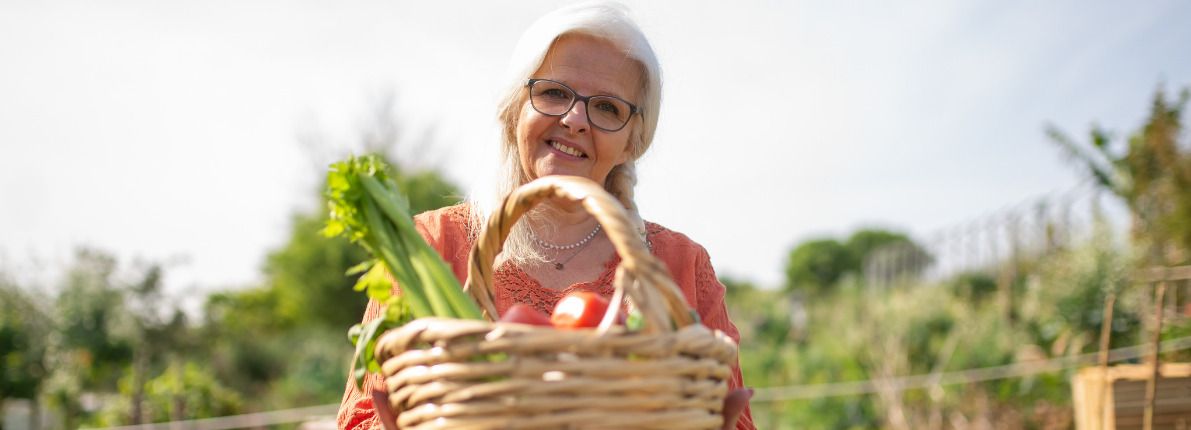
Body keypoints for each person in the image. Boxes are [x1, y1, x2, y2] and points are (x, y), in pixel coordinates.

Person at [337, 3, 755, 429]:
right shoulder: (432, 244)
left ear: (633, 141)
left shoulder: (681, 265)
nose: (575, 120)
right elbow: (361, 417)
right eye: (554, 92)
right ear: (515, 108)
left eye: (608, 107)